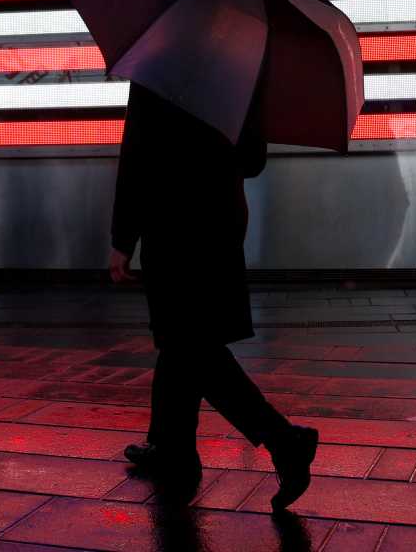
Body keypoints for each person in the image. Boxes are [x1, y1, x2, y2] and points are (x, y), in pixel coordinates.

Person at [109, 81, 317, 510]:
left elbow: (137, 157)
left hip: (172, 227)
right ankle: (170, 447)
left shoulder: (158, 70)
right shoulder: (237, 68)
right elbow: (253, 160)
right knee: (182, 339)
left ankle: (283, 440)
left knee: (188, 343)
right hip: (220, 223)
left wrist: (122, 238)